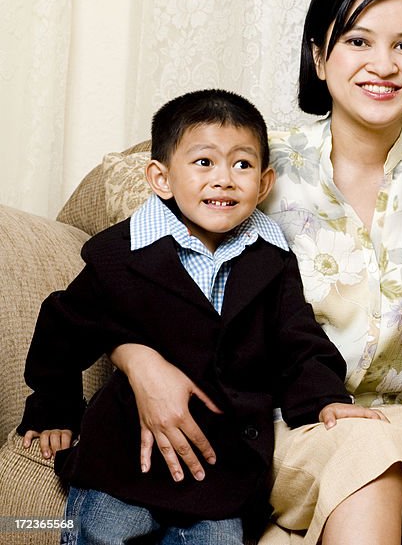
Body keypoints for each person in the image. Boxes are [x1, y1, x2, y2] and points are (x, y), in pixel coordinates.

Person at [107, 0, 402, 545]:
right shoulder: (258, 169)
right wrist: (135, 357)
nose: (383, 65)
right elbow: (136, 268)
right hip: (288, 417)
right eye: (358, 40)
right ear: (319, 56)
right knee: (370, 462)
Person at [18, 89, 370, 545]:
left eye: (241, 165)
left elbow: (297, 340)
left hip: (220, 468)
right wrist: (54, 411)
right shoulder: (121, 255)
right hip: (124, 460)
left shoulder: (272, 259)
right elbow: (63, 328)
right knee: (102, 535)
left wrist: (326, 398)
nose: (223, 179)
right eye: (204, 163)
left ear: (263, 184)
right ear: (161, 179)